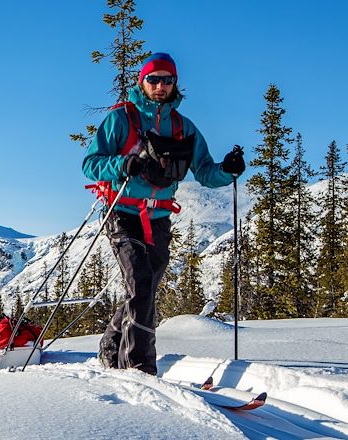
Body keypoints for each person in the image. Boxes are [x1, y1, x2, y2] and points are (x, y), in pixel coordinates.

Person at [82, 52, 245, 375]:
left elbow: (205, 172)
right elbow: (90, 164)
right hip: (122, 213)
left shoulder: (184, 128)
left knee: (143, 290)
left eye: (167, 80)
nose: (160, 86)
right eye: (153, 79)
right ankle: (140, 368)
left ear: (175, 85)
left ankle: (112, 345)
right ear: (142, 82)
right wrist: (121, 164)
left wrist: (227, 170)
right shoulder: (122, 119)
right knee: (141, 284)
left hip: (159, 218)